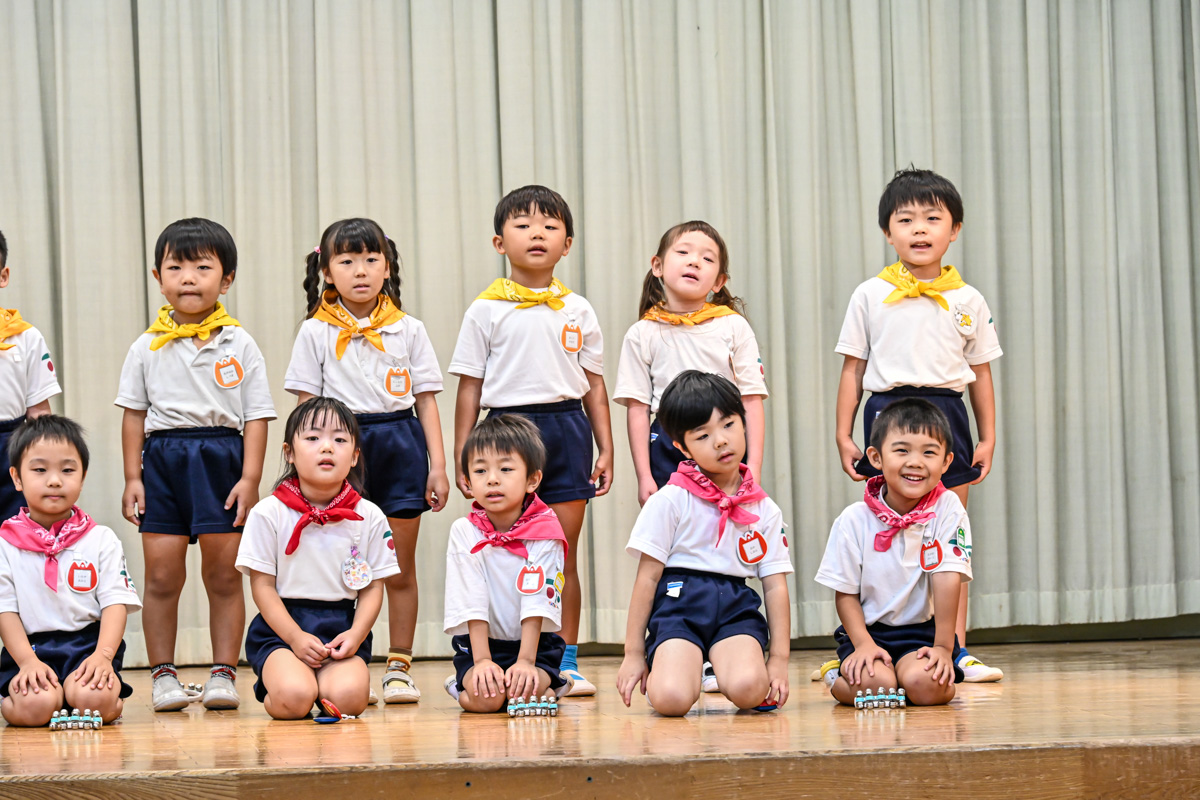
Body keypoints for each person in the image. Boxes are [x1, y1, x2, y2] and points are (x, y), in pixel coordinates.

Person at [831, 167, 1002, 683]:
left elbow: (981, 374)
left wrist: (988, 436)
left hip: (947, 413)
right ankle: (866, 642)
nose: (920, 228)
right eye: (906, 220)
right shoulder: (869, 294)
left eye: (933, 218)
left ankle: (955, 647)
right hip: (886, 412)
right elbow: (853, 368)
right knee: (885, 531)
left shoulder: (968, 299)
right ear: (888, 232)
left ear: (955, 230)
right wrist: (843, 433)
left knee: (950, 534)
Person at [450, 185, 613, 696]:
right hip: (504, 434)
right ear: (500, 243)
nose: (536, 233)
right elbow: (469, 387)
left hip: (567, 430)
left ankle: (565, 660)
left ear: (568, 244)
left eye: (549, 226)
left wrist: (606, 446)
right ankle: (500, 656)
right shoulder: (485, 309)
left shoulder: (578, 308)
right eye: (522, 225)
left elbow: (595, 386)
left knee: (561, 554)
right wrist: (463, 452)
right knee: (504, 553)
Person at [285, 217, 448, 704]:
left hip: (401, 445)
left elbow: (426, 401)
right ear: (327, 271)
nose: (361, 270)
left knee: (397, 567)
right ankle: (342, 661)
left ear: (388, 267)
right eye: (347, 260)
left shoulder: (409, 329)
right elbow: (305, 408)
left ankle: (398, 665)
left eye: (371, 259)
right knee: (340, 563)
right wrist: (302, 468)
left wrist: (438, 464)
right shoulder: (314, 332)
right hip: (339, 448)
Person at [115, 218, 275, 711]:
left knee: (224, 576)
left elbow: (257, 417)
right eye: (176, 268)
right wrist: (133, 477)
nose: (188, 277)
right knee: (162, 578)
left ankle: (223, 674)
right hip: (163, 462)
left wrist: (250, 479)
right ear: (158, 277)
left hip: (221, 460)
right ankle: (163, 676)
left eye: (203, 267)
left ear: (226, 279)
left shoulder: (240, 343)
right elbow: (133, 416)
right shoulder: (146, 345)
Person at [613, 221, 769, 693]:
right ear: (658, 266)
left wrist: (753, 468)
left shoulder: (732, 326)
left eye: (707, 258)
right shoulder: (643, 332)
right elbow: (637, 408)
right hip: (668, 449)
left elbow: (752, 400)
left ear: (719, 281)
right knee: (672, 551)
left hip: (724, 449)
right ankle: (674, 641)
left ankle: (724, 641)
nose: (694, 261)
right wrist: (644, 474)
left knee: (723, 542)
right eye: (683, 252)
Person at [616, 371, 790, 717]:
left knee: (750, 689)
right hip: (678, 606)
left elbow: (774, 586)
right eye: (703, 435)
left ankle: (721, 667)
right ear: (682, 447)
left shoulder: (764, 508)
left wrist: (779, 660)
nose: (721, 441)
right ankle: (673, 668)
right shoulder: (670, 500)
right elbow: (647, 578)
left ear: (743, 422)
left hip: (735, 607)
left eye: (728, 425)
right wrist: (632, 653)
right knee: (671, 699)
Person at [237, 397, 398, 720]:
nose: (326, 447)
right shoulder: (268, 512)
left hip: (341, 628)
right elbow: (262, 587)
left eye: (339, 440)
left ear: (354, 456)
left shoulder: (370, 516)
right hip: (282, 630)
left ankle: (326, 686)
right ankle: (289, 689)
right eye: (312, 438)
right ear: (289, 452)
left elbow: (372, 587)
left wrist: (356, 635)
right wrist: (295, 638)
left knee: (349, 700)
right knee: (294, 698)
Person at [816, 398, 972, 706]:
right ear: (876, 457)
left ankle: (905, 679)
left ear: (946, 462)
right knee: (875, 685)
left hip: (923, 634)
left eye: (929, 453)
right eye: (902, 450)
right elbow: (845, 593)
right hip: (868, 632)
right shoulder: (853, 519)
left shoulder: (947, 507)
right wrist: (863, 645)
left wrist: (943, 647)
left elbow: (947, 577)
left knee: (926, 686)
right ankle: (838, 678)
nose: (916, 462)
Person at [0, 415, 141, 726]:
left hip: (87, 646)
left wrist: (103, 656)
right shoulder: (5, 543)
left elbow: (115, 603)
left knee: (95, 702)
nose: (54, 480)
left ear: (83, 476)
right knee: (35, 707)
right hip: (30, 647)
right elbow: (4, 610)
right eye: (40, 470)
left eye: (67, 470)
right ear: (17, 478)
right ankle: (22, 701)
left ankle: (99, 700)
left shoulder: (101, 538)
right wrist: (27, 662)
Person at [443, 415, 571, 712]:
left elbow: (537, 600)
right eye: (480, 470)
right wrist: (482, 662)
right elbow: (470, 599)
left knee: (522, 695)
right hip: (480, 645)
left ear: (532, 480)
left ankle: (554, 682)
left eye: (505, 469)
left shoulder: (546, 530)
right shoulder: (464, 531)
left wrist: (526, 661)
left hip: (535, 645)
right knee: (486, 702)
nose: (492, 479)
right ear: (467, 482)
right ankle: (458, 686)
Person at [0, 229, 62, 522]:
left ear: (3, 276)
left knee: (15, 533)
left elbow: (38, 412)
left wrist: (48, 466)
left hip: (10, 448)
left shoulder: (25, 337)